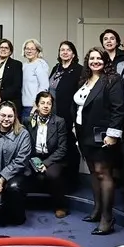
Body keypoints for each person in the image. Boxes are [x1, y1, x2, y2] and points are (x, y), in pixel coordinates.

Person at [73, 47, 124, 235]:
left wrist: (112, 134)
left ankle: (107, 218)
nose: (95, 61)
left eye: (99, 58)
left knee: (104, 173)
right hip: (83, 133)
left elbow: (118, 109)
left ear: (105, 61)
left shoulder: (112, 79)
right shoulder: (85, 79)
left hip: (102, 134)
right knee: (94, 172)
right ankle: (97, 210)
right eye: (92, 58)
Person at [0, 101, 31, 226]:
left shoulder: (23, 134)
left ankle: (18, 215)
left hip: (16, 176)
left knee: (13, 188)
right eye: (3, 115)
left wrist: (1, 180)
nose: (6, 119)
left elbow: (21, 161)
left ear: (15, 117)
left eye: (10, 116)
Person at [25, 92, 68, 218]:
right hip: (34, 157)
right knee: (24, 172)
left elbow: (62, 149)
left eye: (49, 103)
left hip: (53, 157)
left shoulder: (59, 121)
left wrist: (45, 163)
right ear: (37, 105)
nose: (45, 106)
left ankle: (61, 206)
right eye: (42, 103)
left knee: (52, 175)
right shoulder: (28, 121)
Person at [48, 41, 83, 189]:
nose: (65, 52)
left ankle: (73, 180)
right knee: (57, 145)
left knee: (70, 146)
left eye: (68, 50)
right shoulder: (56, 68)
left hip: (69, 113)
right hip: (53, 113)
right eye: (62, 49)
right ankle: (59, 178)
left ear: (73, 53)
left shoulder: (79, 70)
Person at [0, 38, 23, 120]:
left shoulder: (16, 64)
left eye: (6, 48)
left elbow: (16, 85)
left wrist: (1, 96)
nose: (3, 49)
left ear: (10, 51)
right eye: (1, 47)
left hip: (10, 104)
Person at [21, 39, 49, 121]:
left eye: (32, 49)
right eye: (27, 48)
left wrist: (37, 104)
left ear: (38, 51)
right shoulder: (24, 65)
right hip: (23, 106)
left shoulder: (40, 64)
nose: (29, 51)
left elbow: (44, 86)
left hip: (33, 107)